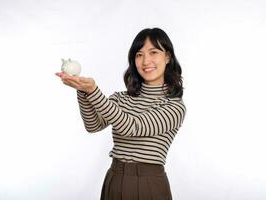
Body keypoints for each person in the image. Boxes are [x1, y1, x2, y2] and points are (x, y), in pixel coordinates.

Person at [55, 27, 186, 200]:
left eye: (153, 52)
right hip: (115, 178)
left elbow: (131, 127)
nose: (146, 60)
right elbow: (93, 125)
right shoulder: (121, 98)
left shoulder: (174, 106)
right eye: (139, 54)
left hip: (149, 184)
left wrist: (93, 91)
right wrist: (83, 91)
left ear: (167, 56)